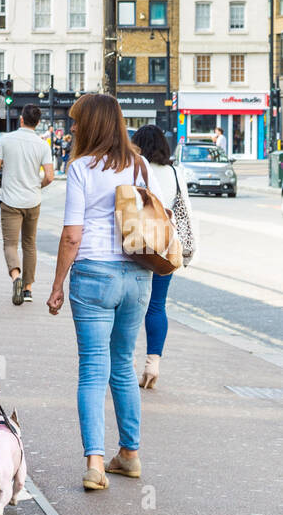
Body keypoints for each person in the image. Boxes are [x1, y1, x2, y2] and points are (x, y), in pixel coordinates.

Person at [46, 92, 166, 491]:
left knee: (93, 368)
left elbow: (71, 235)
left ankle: (96, 463)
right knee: (122, 365)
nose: (73, 127)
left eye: (78, 121)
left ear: (93, 124)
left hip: (94, 273)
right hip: (136, 274)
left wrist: (57, 284)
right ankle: (129, 455)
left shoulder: (81, 167)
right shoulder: (140, 164)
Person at [132, 124, 196, 390]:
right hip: (165, 246)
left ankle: (122, 364)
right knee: (157, 305)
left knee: (130, 306)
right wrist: (188, 250)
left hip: (135, 247)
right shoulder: (174, 172)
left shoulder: (134, 168)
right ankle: (152, 363)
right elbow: (185, 212)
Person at [0, 104, 53, 306]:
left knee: (11, 244)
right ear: (38, 122)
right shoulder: (43, 145)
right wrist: (37, 186)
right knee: (30, 244)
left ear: (21, 120)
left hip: (11, 201)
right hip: (33, 200)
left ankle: (16, 277)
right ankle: (28, 289)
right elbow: (49, 176)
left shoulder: (6, 140)